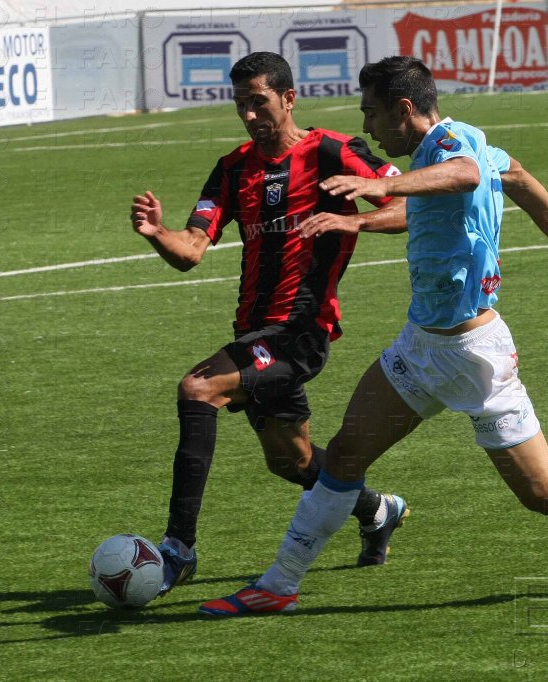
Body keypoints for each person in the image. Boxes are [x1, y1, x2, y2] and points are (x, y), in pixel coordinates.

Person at [197, 56, 548, 617]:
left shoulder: (454, 145)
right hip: (420, 347)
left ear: (405, 109)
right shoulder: (449, 148)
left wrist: (377, 187)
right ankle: (279, 584)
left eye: (373, 114)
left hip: (476, 357)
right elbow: (514, 173)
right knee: (345, 457)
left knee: (547, 495)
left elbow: (468, 174)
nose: (369, 128)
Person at [129, 52, 413, 595]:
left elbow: (409, 205)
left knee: (198, 389)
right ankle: (379, 510)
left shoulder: (334, 151)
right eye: (241, 104)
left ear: (288, 98)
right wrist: (157, 234)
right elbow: (191, 250)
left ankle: (178, 549)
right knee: (292, 460)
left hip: (300, 333)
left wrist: (353, 221)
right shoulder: (233, 168)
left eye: (258, 102)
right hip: (254, 334)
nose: (249, 115)